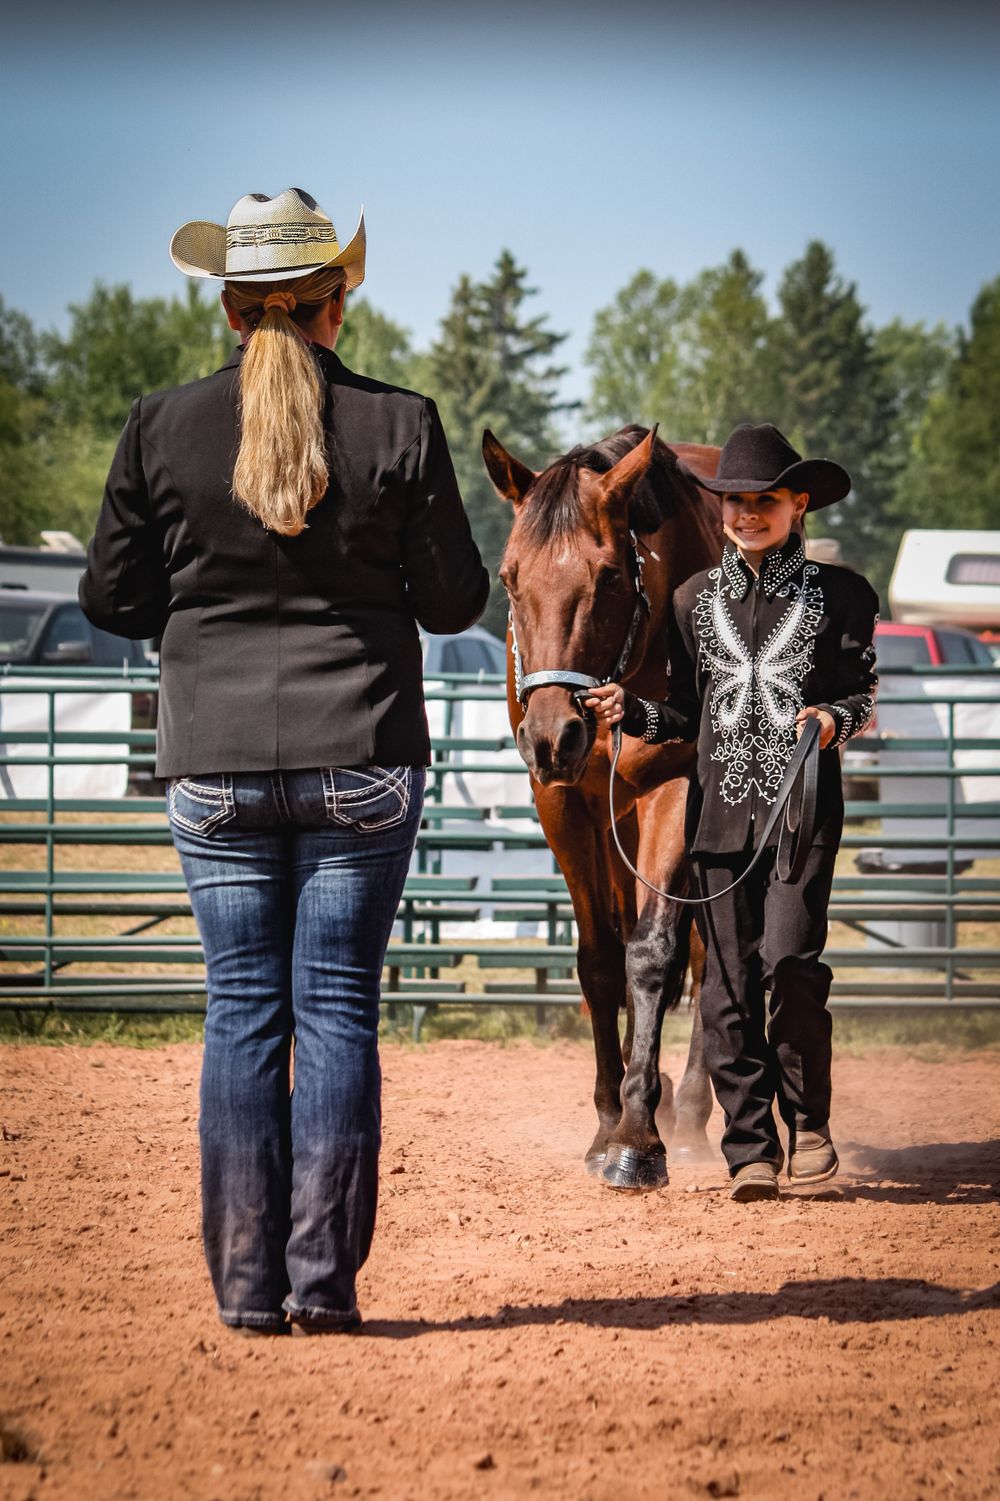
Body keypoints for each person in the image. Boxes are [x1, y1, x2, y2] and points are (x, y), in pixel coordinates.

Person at [79, 188, 489, 1331]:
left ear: (228, 312)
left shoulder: (161, 425)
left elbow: (111, 596)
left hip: (210, 761)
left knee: (242, 1014)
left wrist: (200, 593)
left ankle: (249, 1290)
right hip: (360, 750)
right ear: (334, 305)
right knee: (337, 1015)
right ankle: (322, 1286)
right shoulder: (400, 423)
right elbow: (457, 601)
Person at [586, 423, 878, 1202]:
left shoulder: (842, 596)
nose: (747, 514)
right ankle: (750, 1145)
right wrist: (633, 714)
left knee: (788, 966)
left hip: (800, 817)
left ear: (797, 503)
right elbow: (685, 712)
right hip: (718, 818)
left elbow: (860, 696)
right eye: (735, 502)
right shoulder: (690, 602)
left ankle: (807, 1122)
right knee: (725, 989)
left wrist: (829, 720)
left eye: (764, 501)